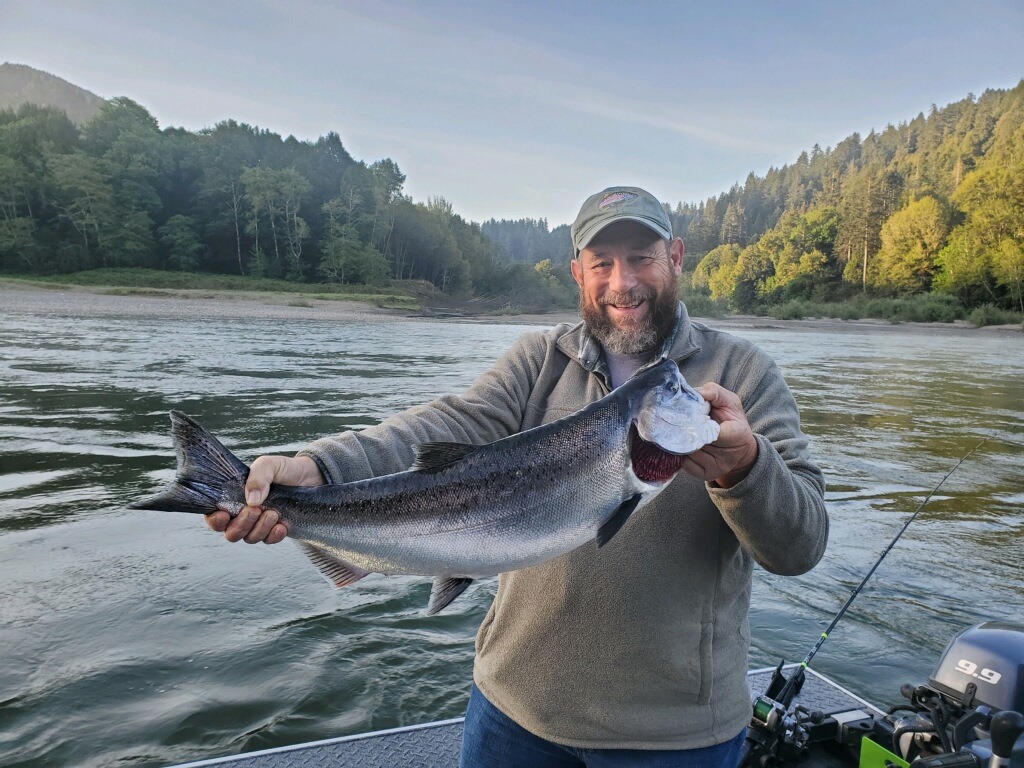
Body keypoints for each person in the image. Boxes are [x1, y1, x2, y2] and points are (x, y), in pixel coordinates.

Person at [205, 186, 829, 768]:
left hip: (675, 736)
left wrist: (746, 469)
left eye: (642, 257)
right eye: (603, 261)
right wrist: (318, 467)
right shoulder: (539, 360)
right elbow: (446, 424)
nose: (624, 281)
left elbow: (800, 547)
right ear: (576, 271)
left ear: (676, 258)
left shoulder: (744, 373)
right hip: (512, 712)